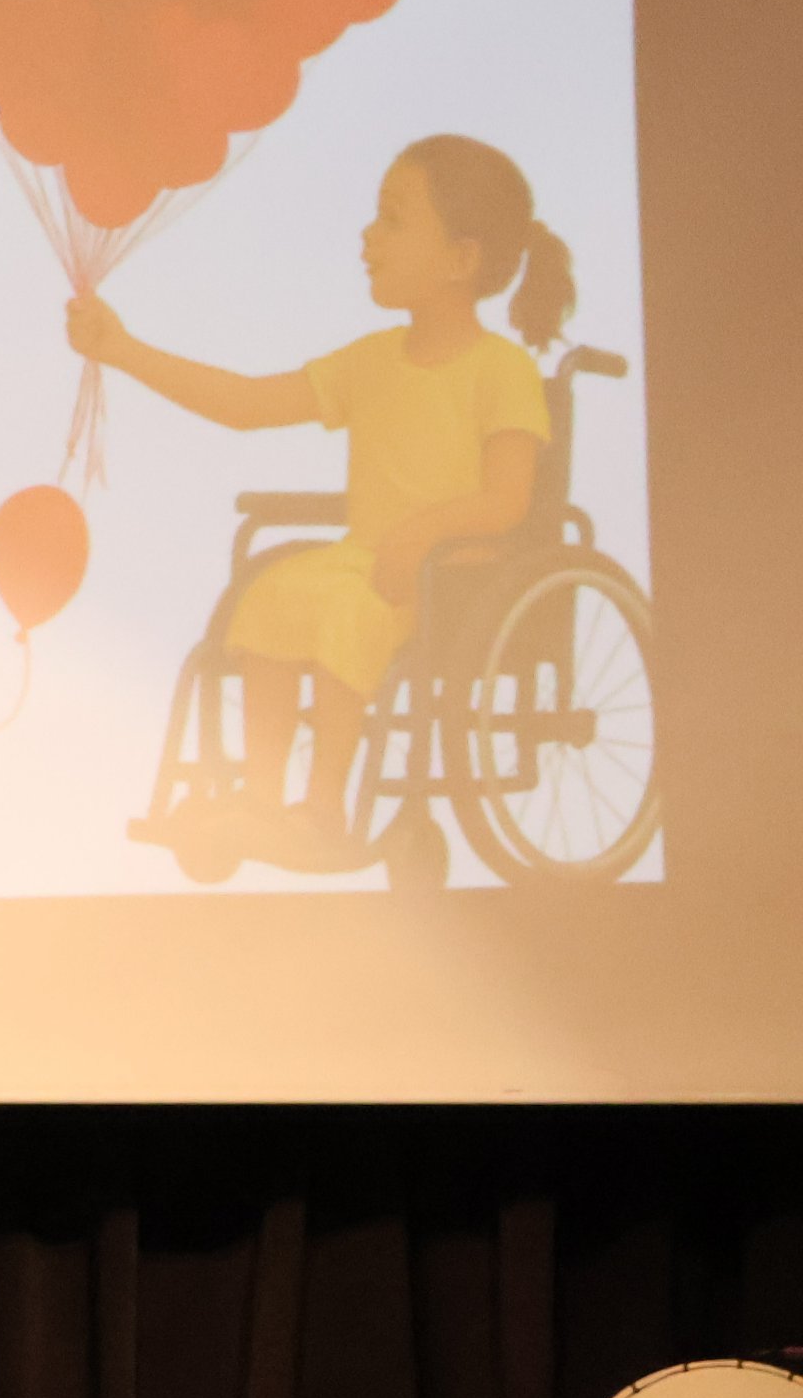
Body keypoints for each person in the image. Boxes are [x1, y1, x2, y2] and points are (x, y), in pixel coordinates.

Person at [68, 133, 571, 869]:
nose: (368, 235)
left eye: (393, 219)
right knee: (271, 597)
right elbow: (246, 404)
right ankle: (262, 801)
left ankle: (323, 809)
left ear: (461, 259)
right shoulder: (371, 362)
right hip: (368, 564)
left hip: (455, 580)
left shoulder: (503, 370)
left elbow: (506, 500)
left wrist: (424, 531)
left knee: (346, 611)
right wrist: (123, 349)